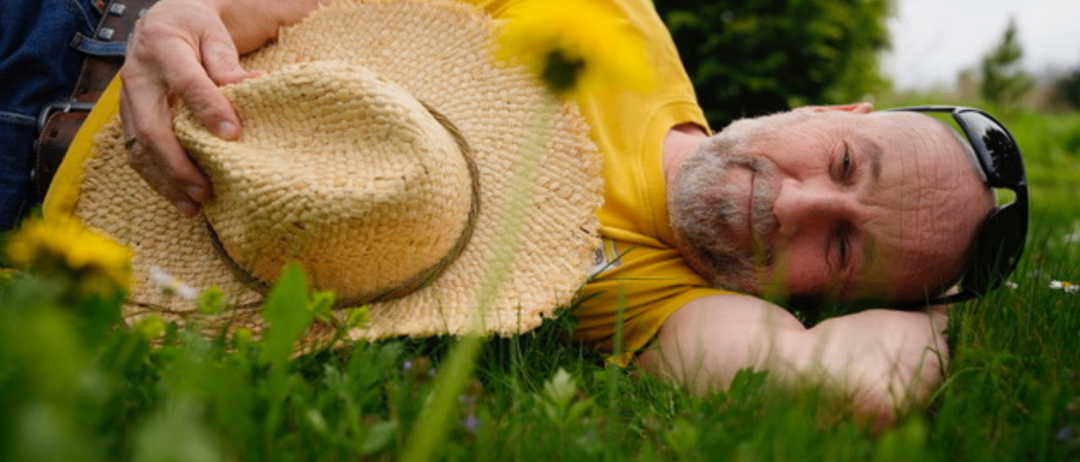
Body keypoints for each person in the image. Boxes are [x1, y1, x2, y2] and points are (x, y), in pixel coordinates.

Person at [59, 0, 1026, 426]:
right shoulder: (612, 17)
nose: (798, 203)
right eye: (845, 162)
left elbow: (846, 393)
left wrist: (941, 306)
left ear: (830, 303)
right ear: (837, 110)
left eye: (845, 249)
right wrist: (202, 13)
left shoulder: (664, 298)